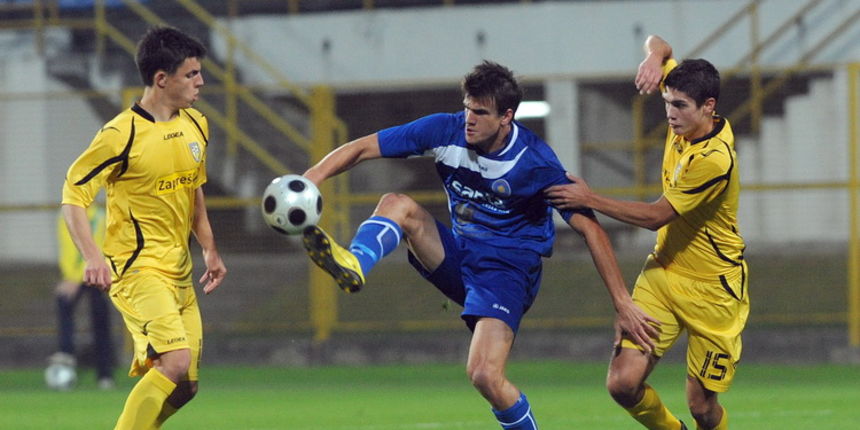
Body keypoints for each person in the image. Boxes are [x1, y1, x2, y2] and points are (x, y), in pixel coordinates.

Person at [301, 60, 659, 430]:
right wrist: (308, 181)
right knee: (397, 205)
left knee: (485, 375)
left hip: (508, 272)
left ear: (507, 116)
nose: (469, 119)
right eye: (467, 107)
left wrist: (621, 302)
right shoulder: (445, 129)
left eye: (480, 112)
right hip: (460, 254)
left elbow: (592, 231)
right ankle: (356, 263)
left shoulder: (535, 162)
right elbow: (362, 147)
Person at [546, 35, 749, 430]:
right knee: (623, 384)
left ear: (709, 107)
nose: (670, 114)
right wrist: (655, 58)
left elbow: (657, 216)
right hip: (664, 275)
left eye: (680, 106)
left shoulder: (714, 158)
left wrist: (590, 198)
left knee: (702, 409)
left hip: (714, 289)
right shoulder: (686, 96)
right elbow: (657, 40)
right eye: (667, 102)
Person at [61, 26, 226, 430]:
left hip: (179, 271)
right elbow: (73, 195)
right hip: (136, 269)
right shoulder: (121, 134)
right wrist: (93, 256)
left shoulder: (197, 126)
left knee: (186, 385)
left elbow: (193, 193)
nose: (201, 81)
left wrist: (209, 248)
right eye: (191, 74)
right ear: (161, 79)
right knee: (175, 362)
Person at [50, 204, 115, 390]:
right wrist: (69, 277)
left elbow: (95, 249)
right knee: (63, 301)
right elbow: (67, 250)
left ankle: (104, 374)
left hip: (96, 273)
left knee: (100, 320)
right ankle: (66, 354)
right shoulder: (64, 215)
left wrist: (75, 279)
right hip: (75, 275)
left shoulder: (99, 216)